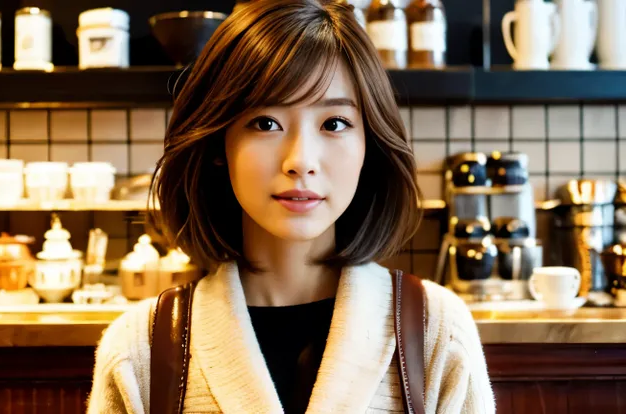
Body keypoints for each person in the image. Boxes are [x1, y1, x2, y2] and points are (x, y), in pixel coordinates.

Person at [87, 0, 495, 413]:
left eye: (334, 123)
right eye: (265, 123)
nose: (300, 160)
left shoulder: (435, 330)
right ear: (217, 144)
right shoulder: (141, 347)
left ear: (369, 143)